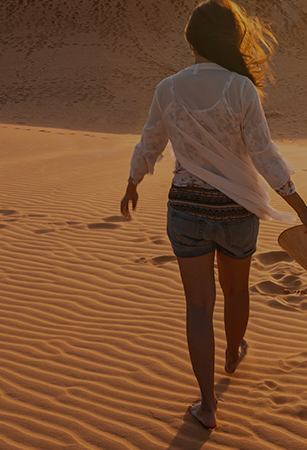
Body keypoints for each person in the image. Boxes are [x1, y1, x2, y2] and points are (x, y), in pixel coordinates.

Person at [120, 0, 307, 429]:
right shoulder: (240, 87)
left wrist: (133, 181)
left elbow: (150, 140)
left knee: (198, 305)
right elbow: (264, 153)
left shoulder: (168, 87)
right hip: (236, 212)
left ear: (191, 40)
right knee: (236, 293)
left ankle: (207, 405)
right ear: (230, 38)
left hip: (186, 211)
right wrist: (298, 203)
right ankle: (233, 351)